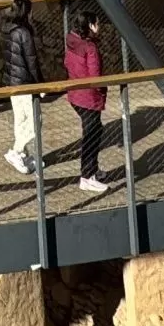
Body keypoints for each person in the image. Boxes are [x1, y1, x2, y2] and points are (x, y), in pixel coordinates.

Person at [62, 10, 110, 193]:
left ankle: (93, 170)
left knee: (94, 130)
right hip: (89, 98)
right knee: (91, 135)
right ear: (90, 25)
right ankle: (87, 176)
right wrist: (102, 90)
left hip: (75, 95)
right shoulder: (90, 48)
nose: (99, 27)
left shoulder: (72, 42)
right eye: (97, 23)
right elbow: (95, 76)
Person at [1, 0, 44, 175]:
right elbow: (31, 61)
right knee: (35, 121)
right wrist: (40, 84)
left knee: (21, 120)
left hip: (12, 81)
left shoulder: (6, 28)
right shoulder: (24, 33)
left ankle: (22, 154)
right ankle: (17, 151)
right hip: (25, 82)